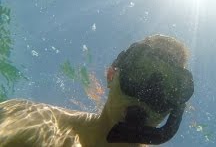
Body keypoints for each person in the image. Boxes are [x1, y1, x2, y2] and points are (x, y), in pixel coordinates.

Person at [0, 34, 194, 147]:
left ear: (174, 109)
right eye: (139, 72)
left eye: (167, 89)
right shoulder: (28, 117)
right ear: (111, 75)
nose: (146, 94)